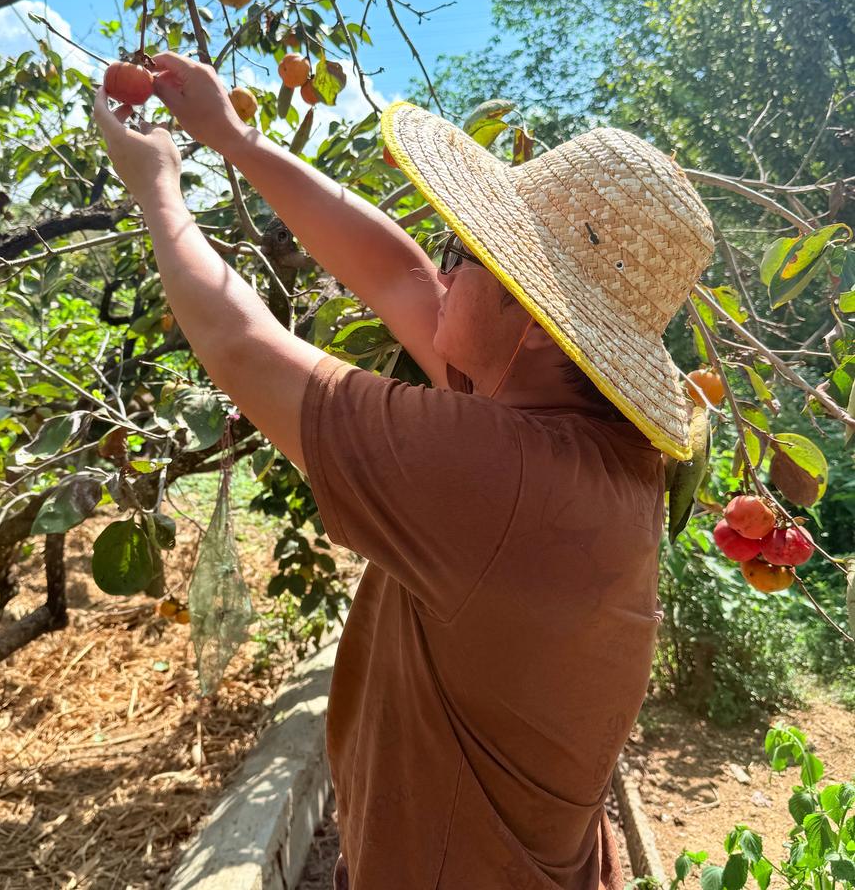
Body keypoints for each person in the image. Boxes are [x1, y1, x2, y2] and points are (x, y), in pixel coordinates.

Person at [93, 53, 714, 890]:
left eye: (467, 250)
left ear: (533, 320)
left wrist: (159, 190)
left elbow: (239, 343)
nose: (444, 265)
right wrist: (231, 138)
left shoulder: (500, 481)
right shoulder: (586, 439)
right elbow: (399, 277)